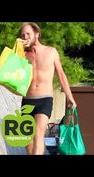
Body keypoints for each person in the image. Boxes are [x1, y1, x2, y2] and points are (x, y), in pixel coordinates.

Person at [19, 22, 77, 155]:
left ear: (37, 34)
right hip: (27, 99)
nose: (25, 37)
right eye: (22, 35)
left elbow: (61, 75)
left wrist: (70, 97)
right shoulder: (22, 55)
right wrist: (17, 49)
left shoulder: (51, 52)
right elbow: (10, 72)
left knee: (38, 134)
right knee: (27, 139)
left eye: (28, 34)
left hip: (44, 99)